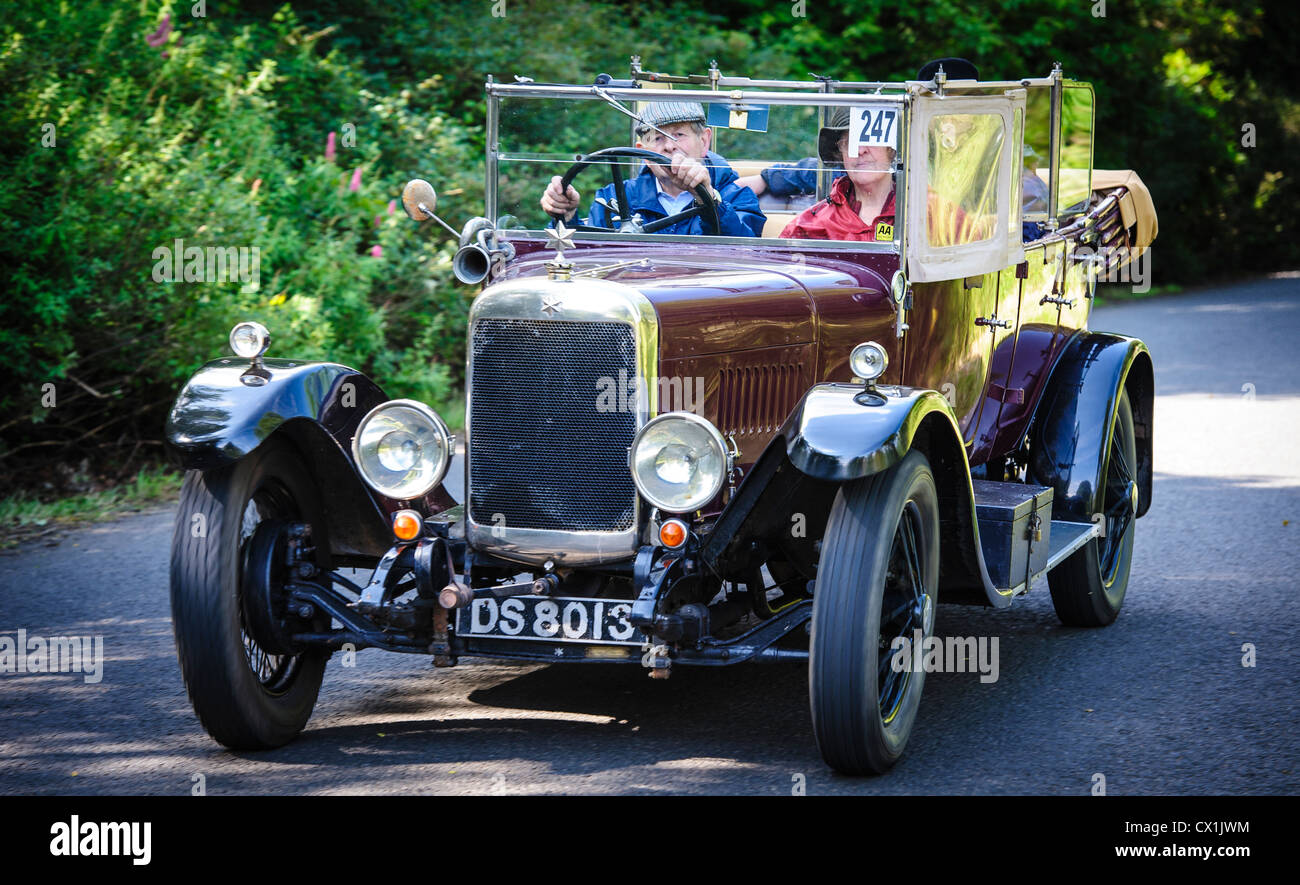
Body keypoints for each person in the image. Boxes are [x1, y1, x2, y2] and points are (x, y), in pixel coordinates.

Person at [539, 101, 765, 237]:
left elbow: (746, 260)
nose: (669, 146)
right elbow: (587, 261)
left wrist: (708, 200)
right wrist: (566, 217)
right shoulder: (612, 198)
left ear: (704, 141)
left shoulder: (737, 197)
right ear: (642, 152)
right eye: (657, 138)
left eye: (679, 134)